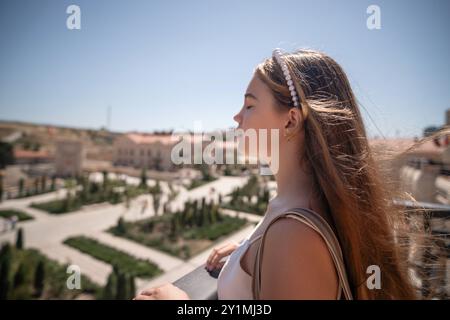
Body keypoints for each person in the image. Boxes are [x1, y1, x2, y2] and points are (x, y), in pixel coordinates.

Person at [135, 48, 424, 300]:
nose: (237, 117)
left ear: (291, 121)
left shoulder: (294, 236)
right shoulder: (295, 220)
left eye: (249, 105)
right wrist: (247, 256)